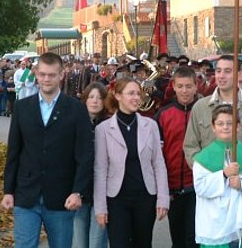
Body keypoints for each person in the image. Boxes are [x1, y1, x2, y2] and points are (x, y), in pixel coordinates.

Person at [1, 52, 93, 248]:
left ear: (61, 75)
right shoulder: (22, 107)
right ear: (36, 74)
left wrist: (78, 191)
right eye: (42, 74)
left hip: (62, 197)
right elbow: (14, 152)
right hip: (26, 194)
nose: (46, 79)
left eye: (51, 75)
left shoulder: (76, 109)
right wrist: (8, 190)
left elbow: (84, 155)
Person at [94, 77, 169, 248]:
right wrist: (100, 207)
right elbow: (100, 169)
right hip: (117, 199)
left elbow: (158, 163)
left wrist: (163, 199)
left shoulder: (150, 125)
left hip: (145, 197)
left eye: (138, 94)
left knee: (143, 244)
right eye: (131, 94)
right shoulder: (103, 129)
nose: (136, 98)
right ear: (118, 96)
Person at [193, 104, 242, 248]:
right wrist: (223, 174)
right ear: (213, 127)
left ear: (238, 127)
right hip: (217, 224)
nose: (225, 127)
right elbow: (200, 187)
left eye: (230, 123)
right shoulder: (203, 159)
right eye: (220, 123)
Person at [183, 55, 242, 166]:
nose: (221, 76)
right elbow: (190, 146)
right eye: (218, 71)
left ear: (238, 74)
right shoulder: (200, 107)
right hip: (211, 179)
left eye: (227, 71)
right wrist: (203, 170)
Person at [155, 67, 199, 248]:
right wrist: (163, 188)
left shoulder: (203, 111)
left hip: (198, 186)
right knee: (178, 239)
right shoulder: (163, 114)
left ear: (196, 86)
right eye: (180, 86)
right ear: (173, 86)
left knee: (194, 238)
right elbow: (157, 156)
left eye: (189, 86)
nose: (184, 91)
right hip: (173, 187)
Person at [72, 82, 109, 248]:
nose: (95, 101)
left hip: (102, 190)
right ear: (85, 99)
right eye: (91, 97)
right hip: (79, 188)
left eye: (99, 98)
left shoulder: (109, 126)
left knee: (96, 242)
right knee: (80, 241)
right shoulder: (74, 123)